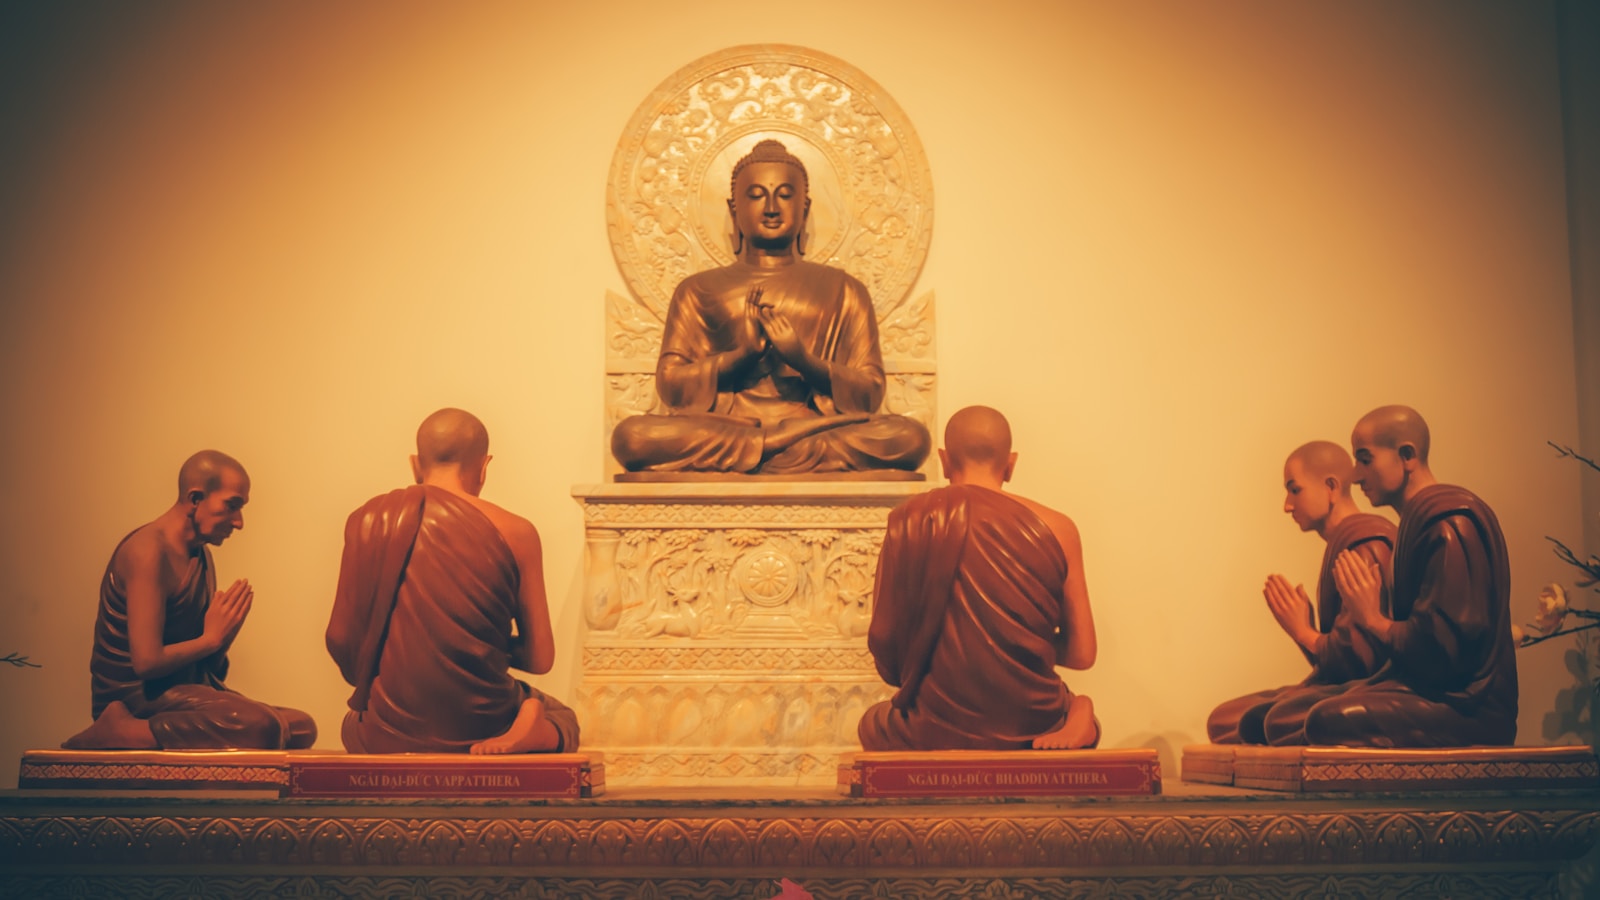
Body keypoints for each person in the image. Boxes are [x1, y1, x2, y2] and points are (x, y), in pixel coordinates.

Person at [610, 139, 930, 475]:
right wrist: (741, 356)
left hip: (813, 429)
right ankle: (769, 445)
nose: (772, 207)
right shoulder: (697, 290)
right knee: (632, 438)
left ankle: (762, 450)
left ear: (804, 208)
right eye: (756, 195)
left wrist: (804, 361)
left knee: (909, 438)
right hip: (729, 427)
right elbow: (671, 386)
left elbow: (870, 393)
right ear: (734, 209)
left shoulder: (845, 289)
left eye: (785, 195)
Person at [326, 408, 580, 754]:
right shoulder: (518, 532)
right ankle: (531, 729)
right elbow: (540, 659)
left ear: (415, 464)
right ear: (484, 467)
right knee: (562, 717)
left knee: (352, 721)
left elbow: (340, 638)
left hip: (385, 732)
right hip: (486, 725)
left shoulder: (369, 520)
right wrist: (479, 644)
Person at [858, 406, 1097, 751]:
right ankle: (1078, 709)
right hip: (1033, 723)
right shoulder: (1059, 528)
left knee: (873, 722)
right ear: (1010, 464)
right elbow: (1082, 654)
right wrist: (1023, 641)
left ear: (944, 460)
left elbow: (884, 637)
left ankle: (1075, 708)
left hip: (933, 726)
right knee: (1063, 707)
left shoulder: (910, 519)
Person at [62, 451, 316, 750]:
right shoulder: (148, 552)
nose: (239, 522)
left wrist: (222, 640)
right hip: (136, 698)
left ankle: (139, 732)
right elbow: (146, 663)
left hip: (182, 691)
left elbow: (207, 670)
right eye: (231, 505)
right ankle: (120, 729)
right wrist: (210, 640)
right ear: (195, 498)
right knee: (263, 727)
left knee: (300, 725)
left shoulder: (199, 554)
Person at [1307, 405, 1517, 746]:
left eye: (1365, 460)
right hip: (1420, 688)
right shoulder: (1414, 527)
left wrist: (1373, 620)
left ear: (1407, 456)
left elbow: (1445, 650)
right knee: (1276, 719)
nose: (1355, 477)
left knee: (1325, 720)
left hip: (1465, 703)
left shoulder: (1450, 524)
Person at [1205, 441, 1396, 745]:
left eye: (1295, 490)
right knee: (1223, 720)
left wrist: (1303, 632)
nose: (1287, 505)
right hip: (1339, 688)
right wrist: (1303, 631)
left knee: (1265, 722)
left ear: (1331, 487)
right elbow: (1334, 664)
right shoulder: (1344, 544)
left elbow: (1360, 664)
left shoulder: (1365, 545)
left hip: (1365, 692)